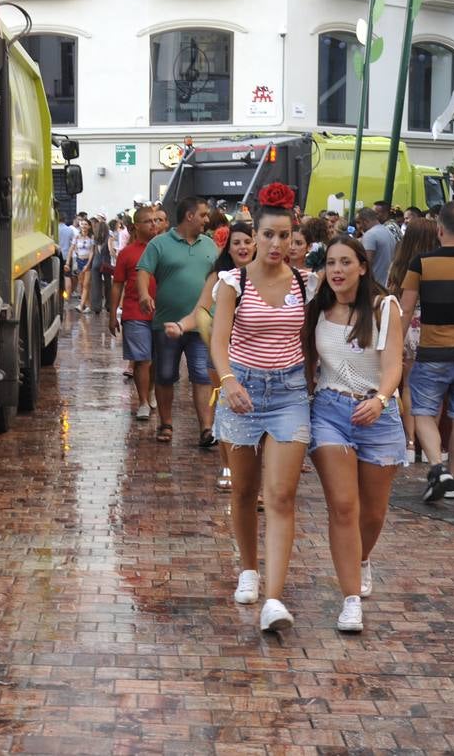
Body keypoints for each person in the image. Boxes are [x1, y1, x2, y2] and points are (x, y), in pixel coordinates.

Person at [209, 183, 312, 632]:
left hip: (290, 394)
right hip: (242, 392)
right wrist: (228, 380)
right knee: (243, 493)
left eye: (284, 236)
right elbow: (218, 340)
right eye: (268, 235)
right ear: (256, 237)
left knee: (281, 496)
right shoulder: (235, 281)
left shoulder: (308, 283)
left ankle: (274, 598)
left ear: (294, 239)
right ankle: (248, 568)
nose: (275, 244)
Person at [302, 236, 405, 633]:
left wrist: (380, 399)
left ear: (363, 267)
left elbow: (393, 365)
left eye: (346, 262)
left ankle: (361, 558)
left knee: (373, 512)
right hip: (329, 411)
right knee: (343, 506)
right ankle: (349, 601)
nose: (338, 271)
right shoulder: (319, 309)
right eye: (331, 263)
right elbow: (307, 361)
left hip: (377, 415)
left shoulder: (384, 307)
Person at [165, 221, 255, 490]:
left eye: (246, 241)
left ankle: (252, 476)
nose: (242, 247)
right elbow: (201, 312)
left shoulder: (267, 275)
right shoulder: (219, 277)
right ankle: (228, 467)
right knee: (227, 414)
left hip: (256, 356)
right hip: (222, 354)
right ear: (228, 247)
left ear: (256, 244)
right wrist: (181, 326)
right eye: (236, 242)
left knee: (254, 416)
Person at [399, 202, 454, 503]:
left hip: (433, 352)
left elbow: (406, 310)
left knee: (422, 411)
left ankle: (437, 467)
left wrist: (393, 344)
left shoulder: (422, 263)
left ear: (439, 230)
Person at [136, 196, 217, 446]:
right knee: (165, 375)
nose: (207, 219)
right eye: (203, 215)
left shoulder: (210, 245)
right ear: (189, 215)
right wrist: (144, 294)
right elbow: (143, 270)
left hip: (202, 323)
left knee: (202, 376)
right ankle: (166, 423)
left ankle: (206, 428)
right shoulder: (159, 243)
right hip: (166, 323)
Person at [387, 218, 438, 456]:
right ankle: (431, 445)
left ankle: (410, 442)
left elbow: (392, 296)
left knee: (408, 385)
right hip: (432, 328)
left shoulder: (399, 265)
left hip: (404, 326)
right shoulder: (437, 264)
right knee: (433, 387)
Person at [110, 206, 158, 420]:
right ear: (135, 226)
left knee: (156, 360)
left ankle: (150, 392)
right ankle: (143, 402)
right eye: (148, 221)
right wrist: (113, 314)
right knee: (142, 359)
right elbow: (117, 284)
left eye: (156, 221)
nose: (153, 225)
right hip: (134, 312)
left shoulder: (163, 249)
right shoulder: (127, 253)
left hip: (161, 312)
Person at [355, 207, 395, 288]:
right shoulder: (388, 232)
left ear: (365, 221)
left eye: (358, 223)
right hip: (385, 286)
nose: (358, 227)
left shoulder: (370, 235)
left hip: (373, 286)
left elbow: (367, 262)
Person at [67, 218, 95, 313]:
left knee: (86, 285)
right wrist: (67, 262)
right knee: (82, 284)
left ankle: (81, 305)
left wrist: (88, 264)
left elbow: (92, 251)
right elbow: (71, 249)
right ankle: (88, 305)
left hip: (87, 261)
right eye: (82, 224)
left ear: (89, 226)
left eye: (86, 224)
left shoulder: (91, 237)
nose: (83, 226)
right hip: (79, 261)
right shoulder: (77, 237)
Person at [88, 217, 111, 314]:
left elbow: (92, 252)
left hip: (96, 262)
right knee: (108, 284)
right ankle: (109, 305)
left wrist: (88, 264)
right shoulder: (109, 237)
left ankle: (96, 307)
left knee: (95, 285)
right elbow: (110, 250)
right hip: (106, 262)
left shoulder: (95, 237)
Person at [57, 210, 77, 303]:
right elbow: (73, 244)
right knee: (67, 276)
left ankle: (59, 296)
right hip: (67, 256)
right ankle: (67, 297)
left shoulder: (54, 229)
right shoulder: (70, 230)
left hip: (57, 256)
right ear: (65, 219)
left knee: (58, 277)